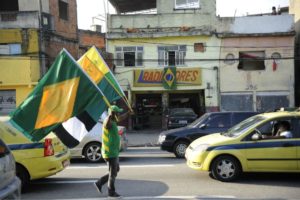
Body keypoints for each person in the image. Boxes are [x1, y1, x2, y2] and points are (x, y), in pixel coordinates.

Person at [94, 105, 125, 198]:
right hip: (110, 152)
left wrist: (128, 113)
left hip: (113, 152)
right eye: (117, 112)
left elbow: (121, 118)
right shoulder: (108, 122)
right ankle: (111, 193)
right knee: (113, 173)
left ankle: (99, 183)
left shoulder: (114, 120)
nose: (119, 114)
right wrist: (110, 116)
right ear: (113, 113)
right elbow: (107, 125)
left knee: (116, 170)